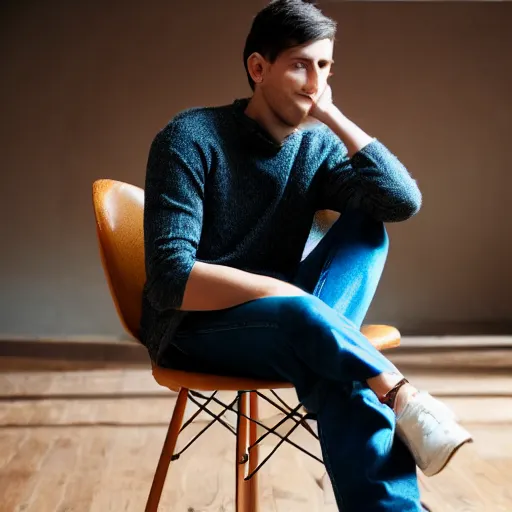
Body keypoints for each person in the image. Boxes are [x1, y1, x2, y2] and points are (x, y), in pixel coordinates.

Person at [140, 1, 472, 510]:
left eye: (325, 66)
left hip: (291, 321)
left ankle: (334, 349)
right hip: (196, 328)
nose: (315, 80)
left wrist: (333, 115)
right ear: (258, 68)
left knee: (368, 229)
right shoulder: (190, 137)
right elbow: (170, 280)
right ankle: (399, 395)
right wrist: (284, 292)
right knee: (319, 341)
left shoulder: (315, 148)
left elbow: (400, 201)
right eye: (300, 64)